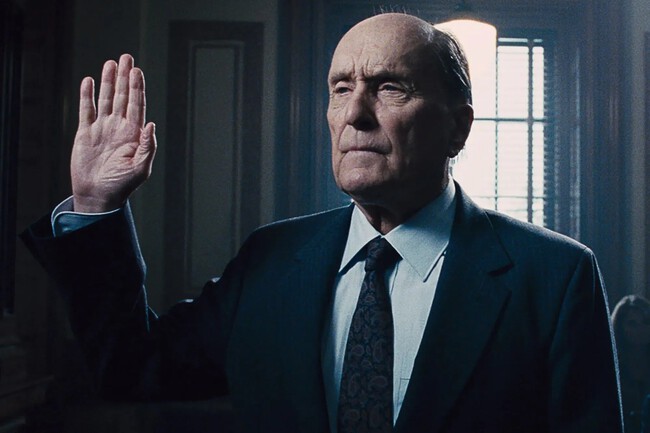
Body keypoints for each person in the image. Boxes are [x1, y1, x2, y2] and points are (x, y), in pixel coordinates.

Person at [21, 12, 623, 433]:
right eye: (340, 88)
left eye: (389, 87)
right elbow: (130, 369)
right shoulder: (270, 260)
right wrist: (96, 206)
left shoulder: (555, 275)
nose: (356, 113)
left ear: (458, 128)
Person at [612, 294, 650, 433]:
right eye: (632, 324)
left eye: (646, 322)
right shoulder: (612, 367)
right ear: (620, 327)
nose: (641, 329)